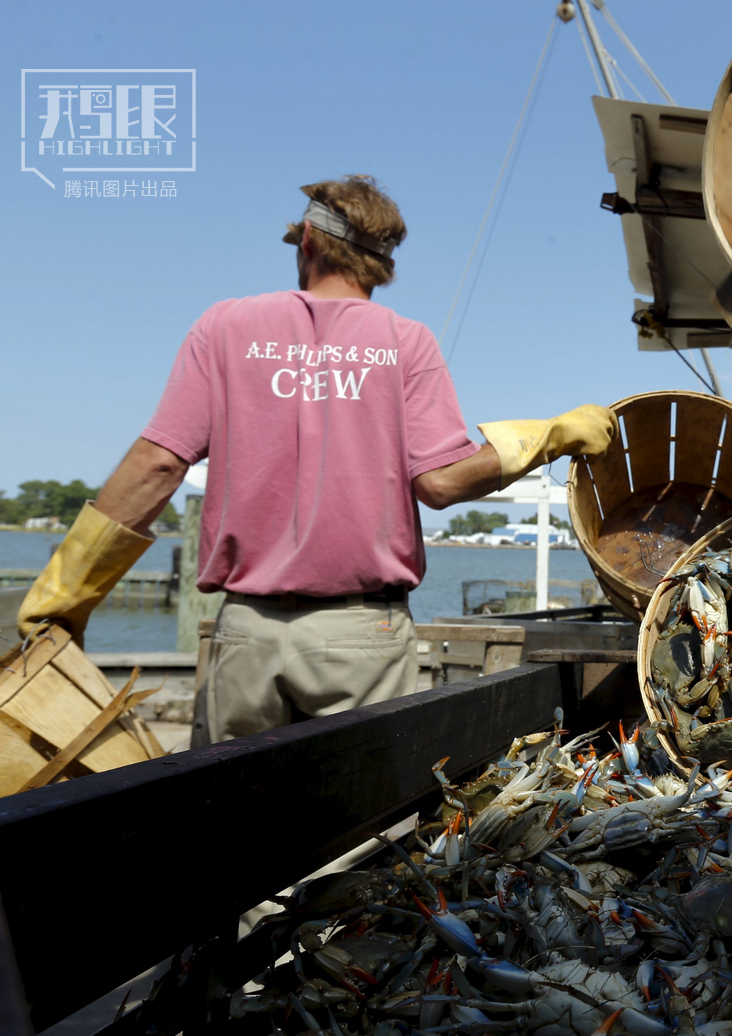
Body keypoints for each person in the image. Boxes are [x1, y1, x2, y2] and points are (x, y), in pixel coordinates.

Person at [18, 175, 617, 744]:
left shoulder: (225, 327)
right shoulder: (406, 342)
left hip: (246, 631)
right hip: (363, 634)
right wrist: (551, 435)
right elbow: (440, 483)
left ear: (308, 240)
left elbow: (158, 465)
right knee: (359, 829)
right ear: (383, 263)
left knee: (231, 818)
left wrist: (68, 597)